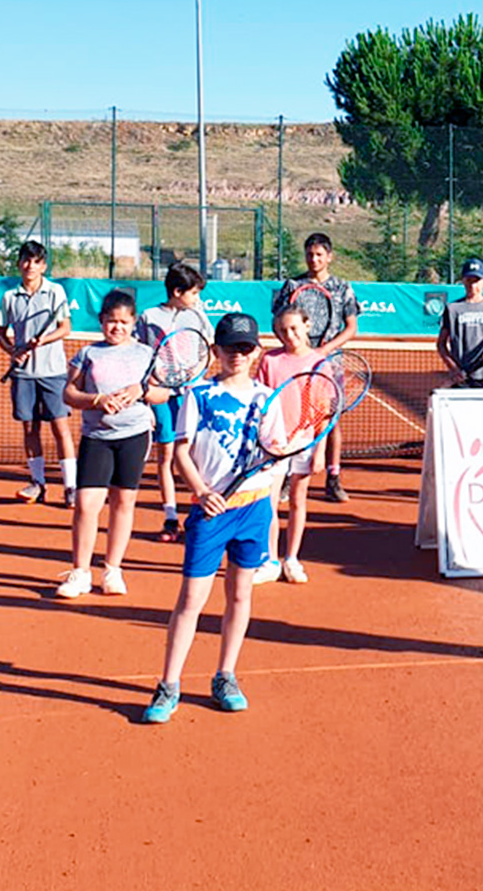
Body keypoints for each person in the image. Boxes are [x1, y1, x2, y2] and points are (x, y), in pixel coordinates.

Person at [142, 313, 278, 723]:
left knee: (240, 595)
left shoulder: (267, 397)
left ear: (256, 352)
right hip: (210, 511)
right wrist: (201, 492)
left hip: (254, 509)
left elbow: (275, 450)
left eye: (246, 348)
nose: (238, 355)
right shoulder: (199, 394)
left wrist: (281, 452)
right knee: (191, 600)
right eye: (231, 347)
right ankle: (169, 685)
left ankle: (226, 676)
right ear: (216, 350)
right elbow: (181, 453)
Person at [54, 290, 169, 599]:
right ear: (101, 321)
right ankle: (80, 573)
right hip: (97, 439)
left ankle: (112, 570)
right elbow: (69, 393)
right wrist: (97, 400)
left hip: (134, 436)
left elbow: (163, 394)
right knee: (86, 505)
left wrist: (141, 391)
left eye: (123, 322)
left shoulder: (146, 354)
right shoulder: (87, 354)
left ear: (133, 322)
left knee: (123, 502)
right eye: (110, 321)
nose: (117, 327)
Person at [273, 233, 360, 502]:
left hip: (329, 364)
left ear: (329, 257)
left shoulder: (342, 287)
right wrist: (297, 350)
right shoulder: (292, 286)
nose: (314, 259)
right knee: (291, 416)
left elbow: (351, 327)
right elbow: (278, 323)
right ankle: (287, 475)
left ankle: (333, 478)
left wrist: (323, 351)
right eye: (310, 254)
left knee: (330, 420)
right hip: (295, 363)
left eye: (319, 255)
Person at [0, 240, 75, 506]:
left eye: (36, 262)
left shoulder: (55, 292)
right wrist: (13, 351)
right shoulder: (9, 297)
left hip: (53, 372)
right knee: (30, 427)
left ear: (44, 266)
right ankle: (38, 483)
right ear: (19, 263)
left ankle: (71, 486)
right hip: (23, 374)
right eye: (26, 260)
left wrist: (44, 340)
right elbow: (0, 334)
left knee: (60, 427)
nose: (30, 266)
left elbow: (65, 328)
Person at [138, 263, 212, 543]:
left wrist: (197, 371)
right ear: (177, 292)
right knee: (166, 455)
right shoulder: (148, 317)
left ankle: (202, 512)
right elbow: (141, 354)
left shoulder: (197, 315)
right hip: (162, 395)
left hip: (191, 395)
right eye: (193, 293)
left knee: (197, 454)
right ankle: (170, 517)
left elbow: (207, 350)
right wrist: (151, 386)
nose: (197, 298)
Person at [258, 304, 326, 583]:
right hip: (274, 442)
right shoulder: (269, 361)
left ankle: (292, 559)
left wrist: (320, 450)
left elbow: (323, 411)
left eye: (295, 328)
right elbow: (260, 401)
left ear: (307, 326)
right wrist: (268, 439)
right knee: (269, 502)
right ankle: (270, 560)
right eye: (283, 331)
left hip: (304, 441)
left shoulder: (319, 363)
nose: (290, 335)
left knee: (298, 500)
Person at [436, 257, 483, 389]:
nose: (473, 285)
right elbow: (441, 344)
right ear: (463, 280)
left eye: (477, 280)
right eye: (469, 280)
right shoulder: (452, 309)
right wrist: (453, 368)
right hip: (461, 380)